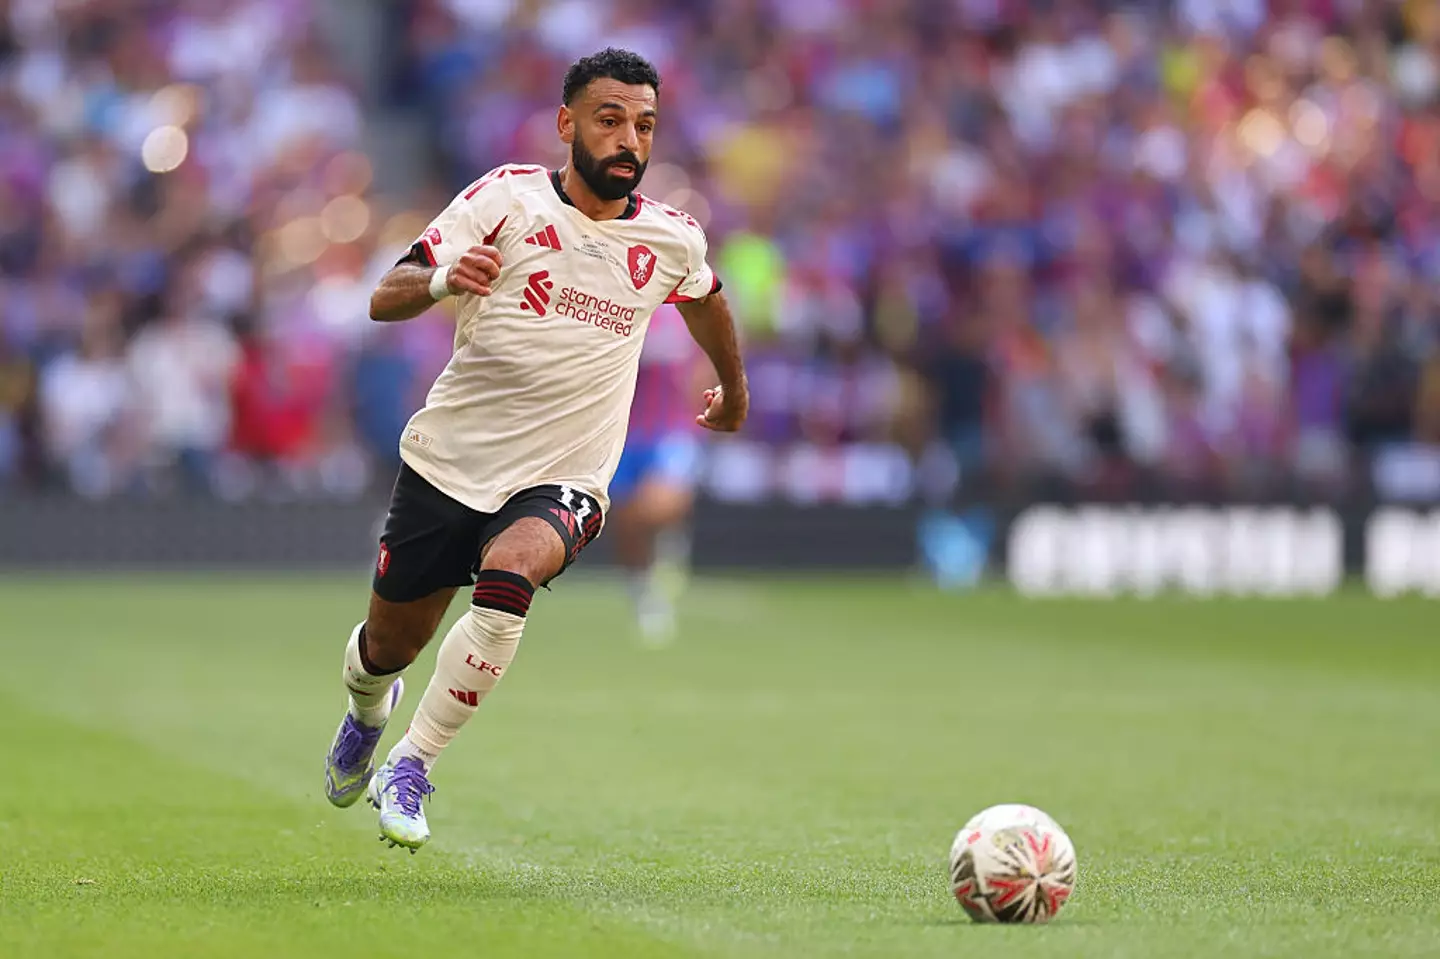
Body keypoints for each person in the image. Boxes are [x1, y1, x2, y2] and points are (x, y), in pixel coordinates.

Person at [322, 48, 748, 853]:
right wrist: (448, 277)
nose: (630, 140)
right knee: (387, 646)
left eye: (645, 125)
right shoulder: (506, 199)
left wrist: (735, 390)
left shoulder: (670, 239)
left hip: (566, 476)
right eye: (611, 119)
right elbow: (386, 295)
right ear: (568, 124)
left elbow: (707, 301)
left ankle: (412, 763)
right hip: (450, 464)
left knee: (513, 567)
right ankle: (367, 710)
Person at [606, 303, 708, 644]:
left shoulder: (686, 309)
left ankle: (670, 540)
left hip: (671, 428)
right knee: (627, 524)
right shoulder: (619, 306)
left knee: (657, 506)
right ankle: (643, 592)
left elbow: (707, 359)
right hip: (624, 431)